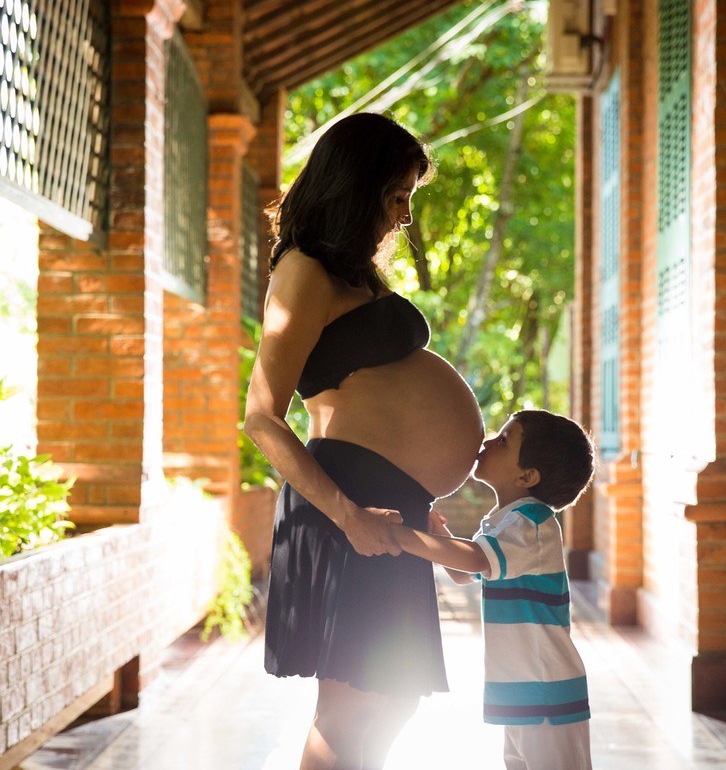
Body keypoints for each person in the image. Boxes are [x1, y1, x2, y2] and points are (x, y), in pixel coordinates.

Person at [243, 112, 484, 770]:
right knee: (352, 705)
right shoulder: (304, 274)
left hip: (383, 503)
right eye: (397, 196)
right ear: (357, 188)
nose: (405, 217)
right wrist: (347, 516)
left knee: (393, 693)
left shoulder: (350, 276)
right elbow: (261, 417)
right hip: (347, 506)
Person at [392, 409, 596, 770]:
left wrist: (403, 537)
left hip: (545, 690)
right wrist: (438, 534)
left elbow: (474, 560)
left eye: (504, 440)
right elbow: (463, 573)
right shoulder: (504, 522)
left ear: (527, 475)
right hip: (522, 691)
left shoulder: (533, 524)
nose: (487, 443)